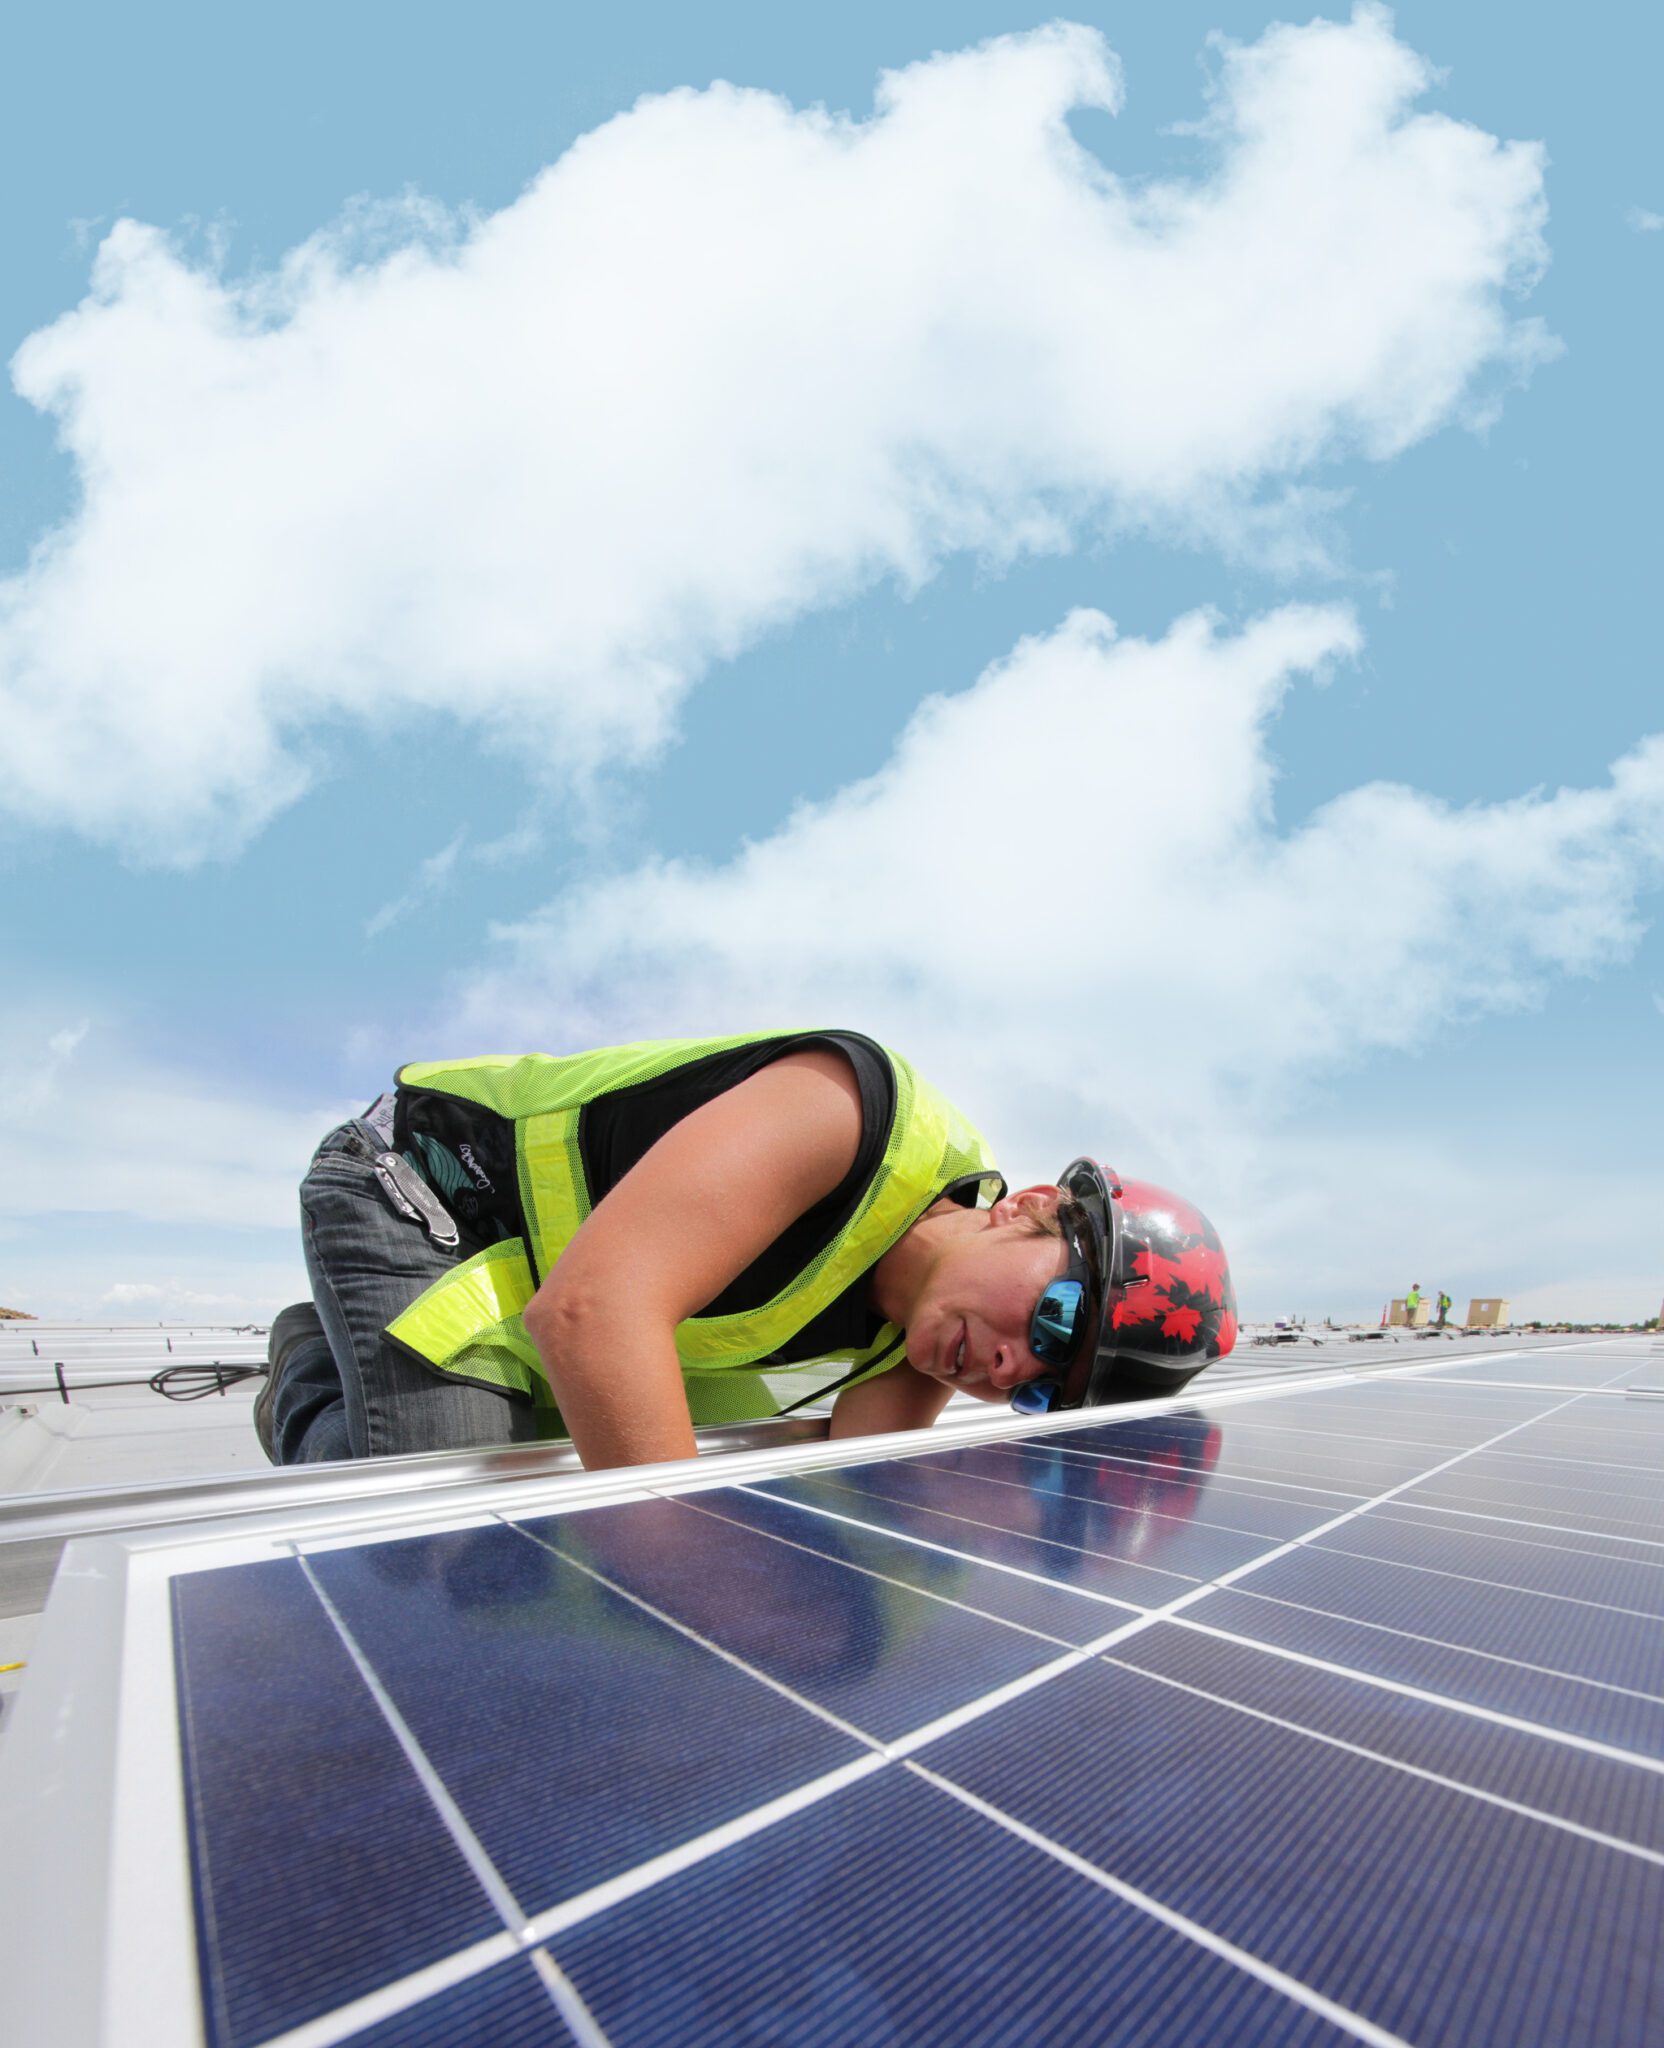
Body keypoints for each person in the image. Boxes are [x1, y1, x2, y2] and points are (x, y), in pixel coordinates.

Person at [256, 1029, 1238, 1471]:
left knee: (616, 1461)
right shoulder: (845, 1114)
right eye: (1053, 1317)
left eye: (1035, 1388)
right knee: (429, 1516)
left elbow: (867, 1480)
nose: (1009, 1365)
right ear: (1024, 1210)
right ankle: (306, 1366)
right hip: (424, 1181)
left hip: (563, 1275)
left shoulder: (934, 1330)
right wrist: (694, 1604)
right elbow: (589, 1318)